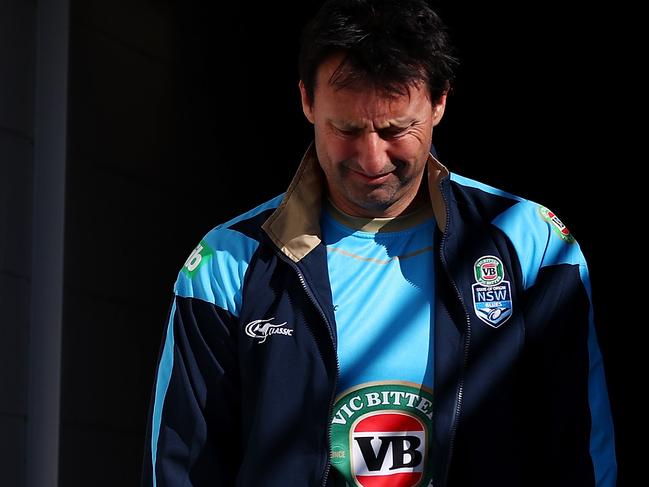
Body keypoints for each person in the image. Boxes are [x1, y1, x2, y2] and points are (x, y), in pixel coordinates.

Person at [142, 0, 617, 485]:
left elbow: (579, 450)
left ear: (439, 102)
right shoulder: (227, 262)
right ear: (306, 101)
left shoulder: (531, 243)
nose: (371, 157)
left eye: (396, 129)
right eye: (346, 129)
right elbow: (182, 466)